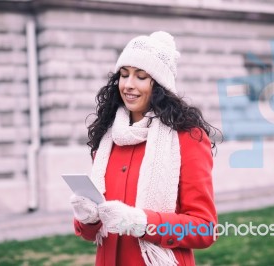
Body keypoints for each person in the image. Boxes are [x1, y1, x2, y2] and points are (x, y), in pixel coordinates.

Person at [70, 31, 219, 266]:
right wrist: (87, 218)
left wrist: (140, 222)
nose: (128, 85)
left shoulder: (187, 138)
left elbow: (204, 229)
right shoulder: (107, 138)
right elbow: (90, 234)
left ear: (159, 84)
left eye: (141, 76)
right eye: (124, 74)